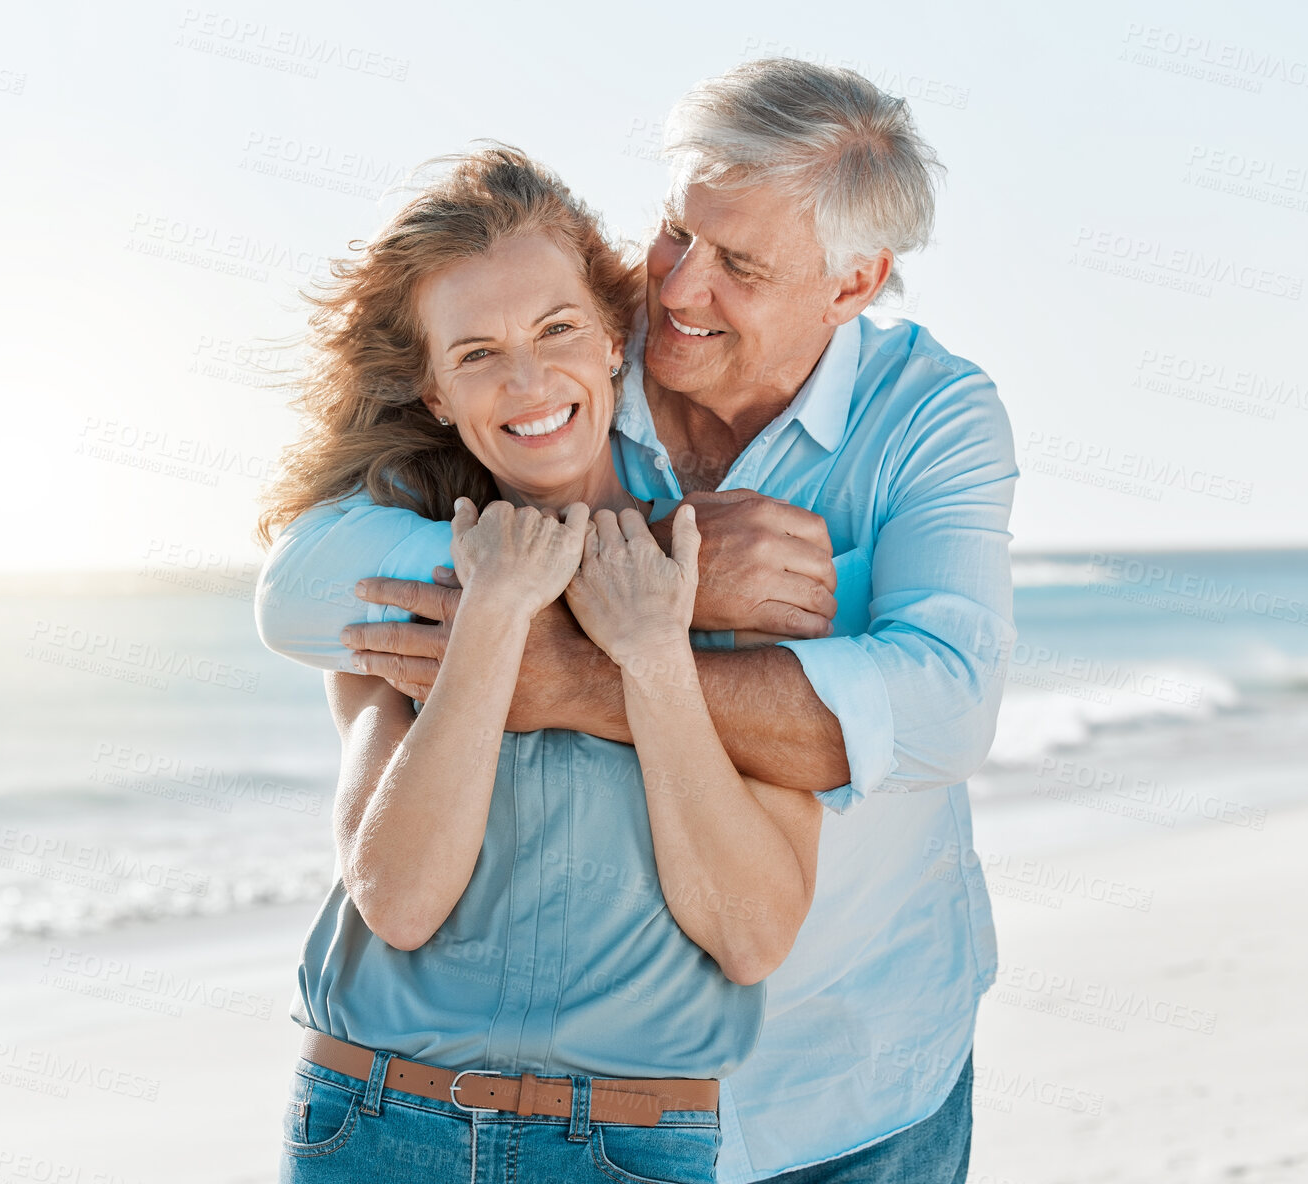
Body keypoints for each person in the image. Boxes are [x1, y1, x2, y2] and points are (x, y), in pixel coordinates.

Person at [260, 59, 1019, 1184]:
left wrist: (568, 673)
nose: (675, 289)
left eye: (740, 267)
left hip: (853, 1070)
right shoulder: (562, 356)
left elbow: (940, 709)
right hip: (524, 1103)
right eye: (676, 232)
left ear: (852, 282)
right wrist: (669, 577)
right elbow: (305, 590)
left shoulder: (930, 417)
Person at [257, 146, 825, 1183]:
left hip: (628, 1143)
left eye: (555, 329)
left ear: (613, 339)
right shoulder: (396, 577)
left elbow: (750, 936)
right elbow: (399, 899)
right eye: (474, 352)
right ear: (432, 390)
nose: (526, 380)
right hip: (377, 1121)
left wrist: (652, 647)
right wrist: (494, 612)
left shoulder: (734, 579)